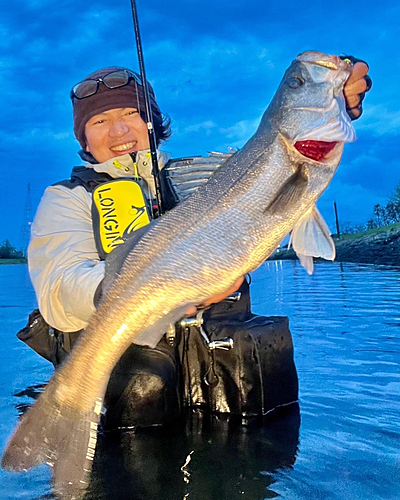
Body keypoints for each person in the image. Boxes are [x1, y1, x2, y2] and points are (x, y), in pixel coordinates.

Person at [25, 57, 371, 429]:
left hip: (228, 401)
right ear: (84, 140)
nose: (119, 129)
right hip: (132, 409)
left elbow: (277, 164)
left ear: (152, 122)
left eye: (130, 112)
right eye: (99, 121)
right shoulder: (66, 198)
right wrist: (149, 292)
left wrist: (333, 94)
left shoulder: (212, 182)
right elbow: (58, 294)